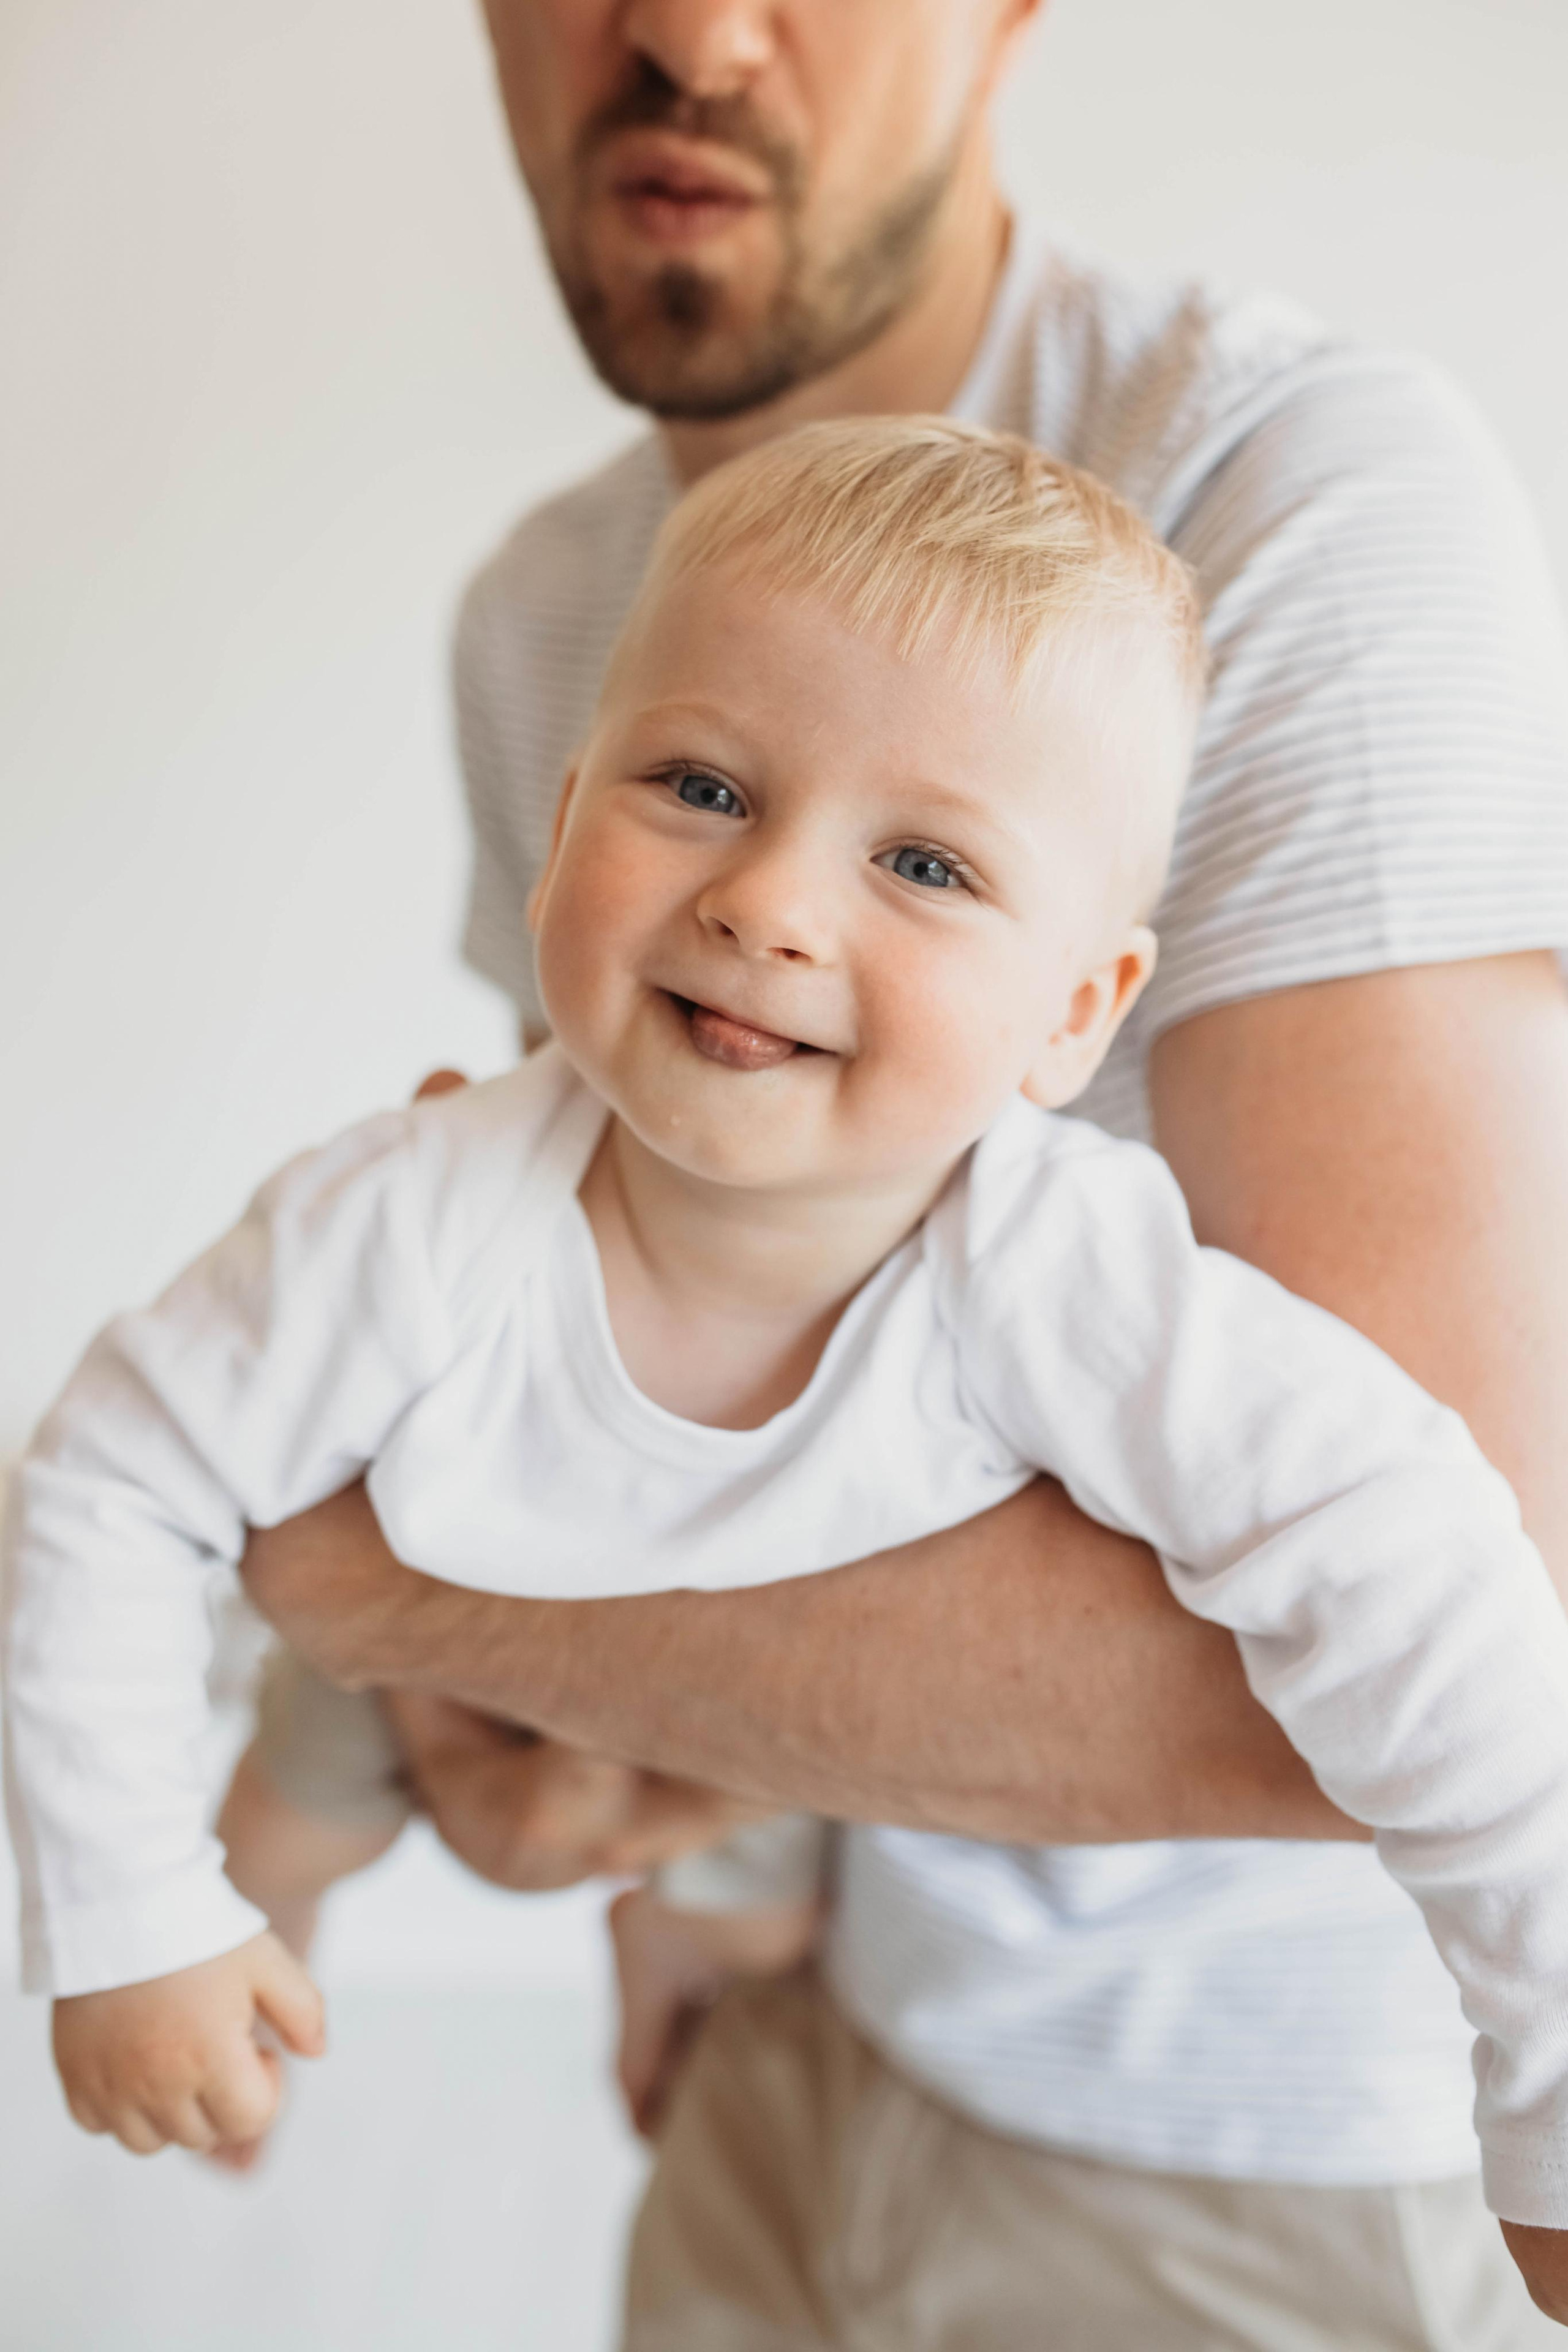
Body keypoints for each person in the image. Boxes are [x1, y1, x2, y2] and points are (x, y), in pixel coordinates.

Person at [233, 2, 1568, 2343]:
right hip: (802, 2021)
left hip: (1265, 2166)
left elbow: (1457, 1600)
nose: (684, 33)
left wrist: (402, 1601)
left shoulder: (1283, 494)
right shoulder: (553, 609)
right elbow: (619, 1337)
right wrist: (699, 1879)